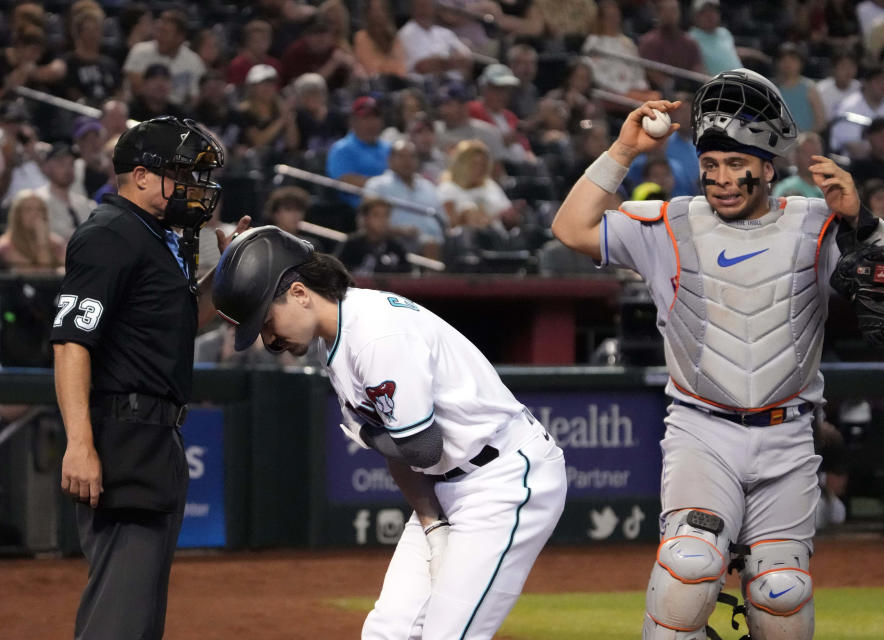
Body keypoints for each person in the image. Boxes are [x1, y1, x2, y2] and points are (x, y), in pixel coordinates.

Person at [551, 68, 884, 639]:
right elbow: (571, 227)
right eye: (711, 164)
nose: (721, 179)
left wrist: (862, 219)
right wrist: (624, 149)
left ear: (768, 166)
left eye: (736, 165)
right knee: (688, 568)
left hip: (789, 436)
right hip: (702, 431)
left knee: (781, 592)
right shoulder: (668, 224)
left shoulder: (819, 225)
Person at [212, 226, 566, 639]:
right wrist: (432, 524)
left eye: (266, 321)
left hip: (503, 479)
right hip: (447, 489)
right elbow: (400, 450)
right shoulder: (336, 338)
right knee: (388, 630)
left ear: (299, 293)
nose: (269, 338)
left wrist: (365, 437)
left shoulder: (375, 334)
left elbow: (421, 447)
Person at [51, 116, 250, 640]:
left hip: (154, 436)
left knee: (139, 616)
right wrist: (79, 444)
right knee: (120, 613)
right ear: (140, 175)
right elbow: (72, 341)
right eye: (183, 173)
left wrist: (223, 272)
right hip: (122, 435)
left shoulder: (154, 237)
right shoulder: (109, 234)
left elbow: (182, 321)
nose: (197, 187)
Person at [123, 9, 206, 107]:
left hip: (177, 114)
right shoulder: (140, 51)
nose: (159, 36)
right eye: (159, 31)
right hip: (141, 110)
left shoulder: (193, 61)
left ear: (180, 37)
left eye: (165, 32)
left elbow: (195, 96)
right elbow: (136, 88)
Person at [335, 196, 412, 274]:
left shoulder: (396, 247)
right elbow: (339, 273)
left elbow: (407, 276)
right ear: (365, 218)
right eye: (376, 215)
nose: (383, 220)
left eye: (386, 215)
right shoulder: (351, 244)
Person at [0, 188, 66, 272]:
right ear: (17, 215)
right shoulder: (6, 246)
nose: (35, 214)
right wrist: (42, 243)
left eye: (39, 209)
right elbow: (39, 276)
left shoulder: (56, 244)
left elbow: (68, 272)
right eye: (28, 209)